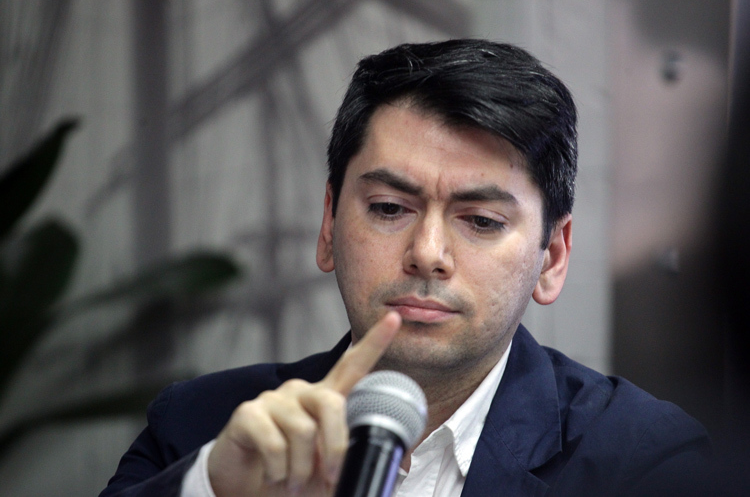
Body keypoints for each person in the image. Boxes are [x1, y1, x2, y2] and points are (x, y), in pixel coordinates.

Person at [99, 39, 711, 497]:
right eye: (390, 208)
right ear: (328, 226)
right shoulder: (202, 429)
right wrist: (212, 488)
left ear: (551, 257)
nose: (428, 252)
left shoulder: (646, 461)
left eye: (481, 221)